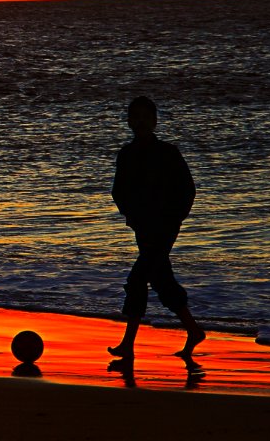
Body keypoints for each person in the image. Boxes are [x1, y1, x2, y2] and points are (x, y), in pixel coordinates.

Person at [108, 96, 205, 360]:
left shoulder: (168, 153)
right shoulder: (126, 155)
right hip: (142, 227)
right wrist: (131, 216)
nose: (140, 122)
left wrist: (174, 219)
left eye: (145, 117)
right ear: (129, 122)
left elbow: (187, 190)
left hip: (164, 228)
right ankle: (194, 330)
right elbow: (119, 191)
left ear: (154, 121)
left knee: (138, 279)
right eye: (135, 117)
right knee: (161, 279)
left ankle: (128, 345)